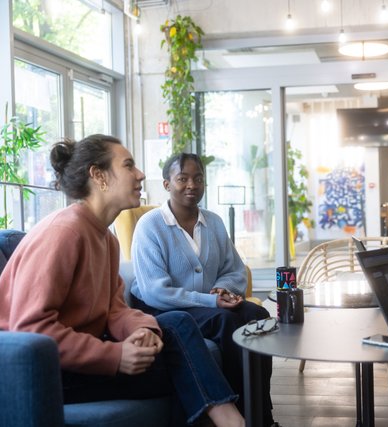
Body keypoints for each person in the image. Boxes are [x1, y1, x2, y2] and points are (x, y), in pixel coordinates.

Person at [0, 135, 244, 427]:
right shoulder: (64, 232)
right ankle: (232, 420)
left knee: (177, 323)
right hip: (35, 371)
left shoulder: (107, 239)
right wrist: (114, 355)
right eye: (128, 165)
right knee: (187, 370)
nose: (140, 174)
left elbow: (114, 309)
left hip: (77, 361)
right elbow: (30, 330)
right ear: (99, 175)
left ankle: (231, 419)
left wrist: (141, 329)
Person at [129, 153, 278, 427]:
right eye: (182, 179)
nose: (191, 185)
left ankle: (262, 414)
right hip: (164, 308)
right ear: (166, 184)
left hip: (207, 305)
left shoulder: (214, 222)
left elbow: (235, 269)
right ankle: (243, 417)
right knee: (228, 321)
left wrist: (222, 289)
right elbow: (153, 291)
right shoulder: (150, 226)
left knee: (258, 314)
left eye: (198, 179)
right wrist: (210, 301)